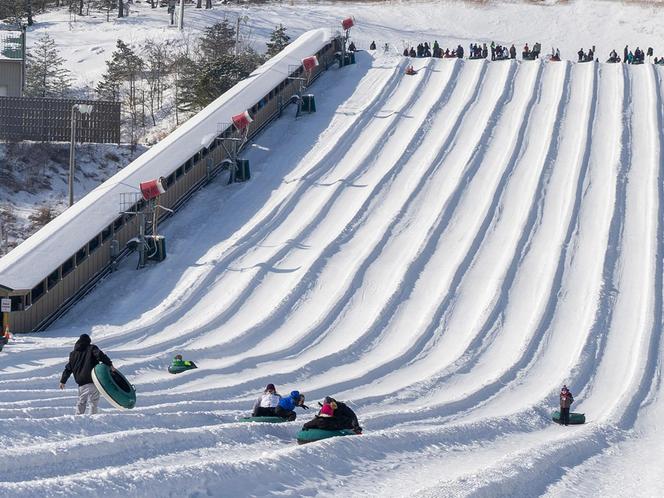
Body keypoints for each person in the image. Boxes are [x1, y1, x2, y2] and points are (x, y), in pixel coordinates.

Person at [59, 333, 115, 415]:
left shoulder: (73, 354)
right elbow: (100, 355)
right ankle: (92, 418)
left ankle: (78, 417)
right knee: (93, 401)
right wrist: (109, 364)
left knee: (81, 401)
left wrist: (62, 381)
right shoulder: (92, 348)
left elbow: (68, 369)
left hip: (81, 383)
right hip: (93, 379)